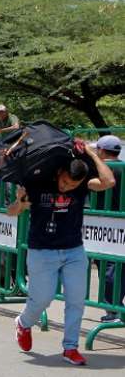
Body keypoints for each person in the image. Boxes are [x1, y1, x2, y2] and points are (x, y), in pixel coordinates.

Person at [7, 145, 115, 366]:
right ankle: (24, 323)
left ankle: (70, 348)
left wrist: (92, 154)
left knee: (76, 300)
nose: (67, 187)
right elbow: (12, 211)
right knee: (42, 299)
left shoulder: (82, 185)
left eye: (73, 185)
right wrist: (20, 202)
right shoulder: (36, 184)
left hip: (74, 250)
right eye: (65, 182)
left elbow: (109, 182)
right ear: (59, 173)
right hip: (42, 251)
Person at [92, 135, 123, 323]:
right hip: (118, 225)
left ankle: (113, 310)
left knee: (109, 266)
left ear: (102, 151)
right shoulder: (123, 167)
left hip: (107, 226)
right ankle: (116, 308)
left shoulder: (104, 171)